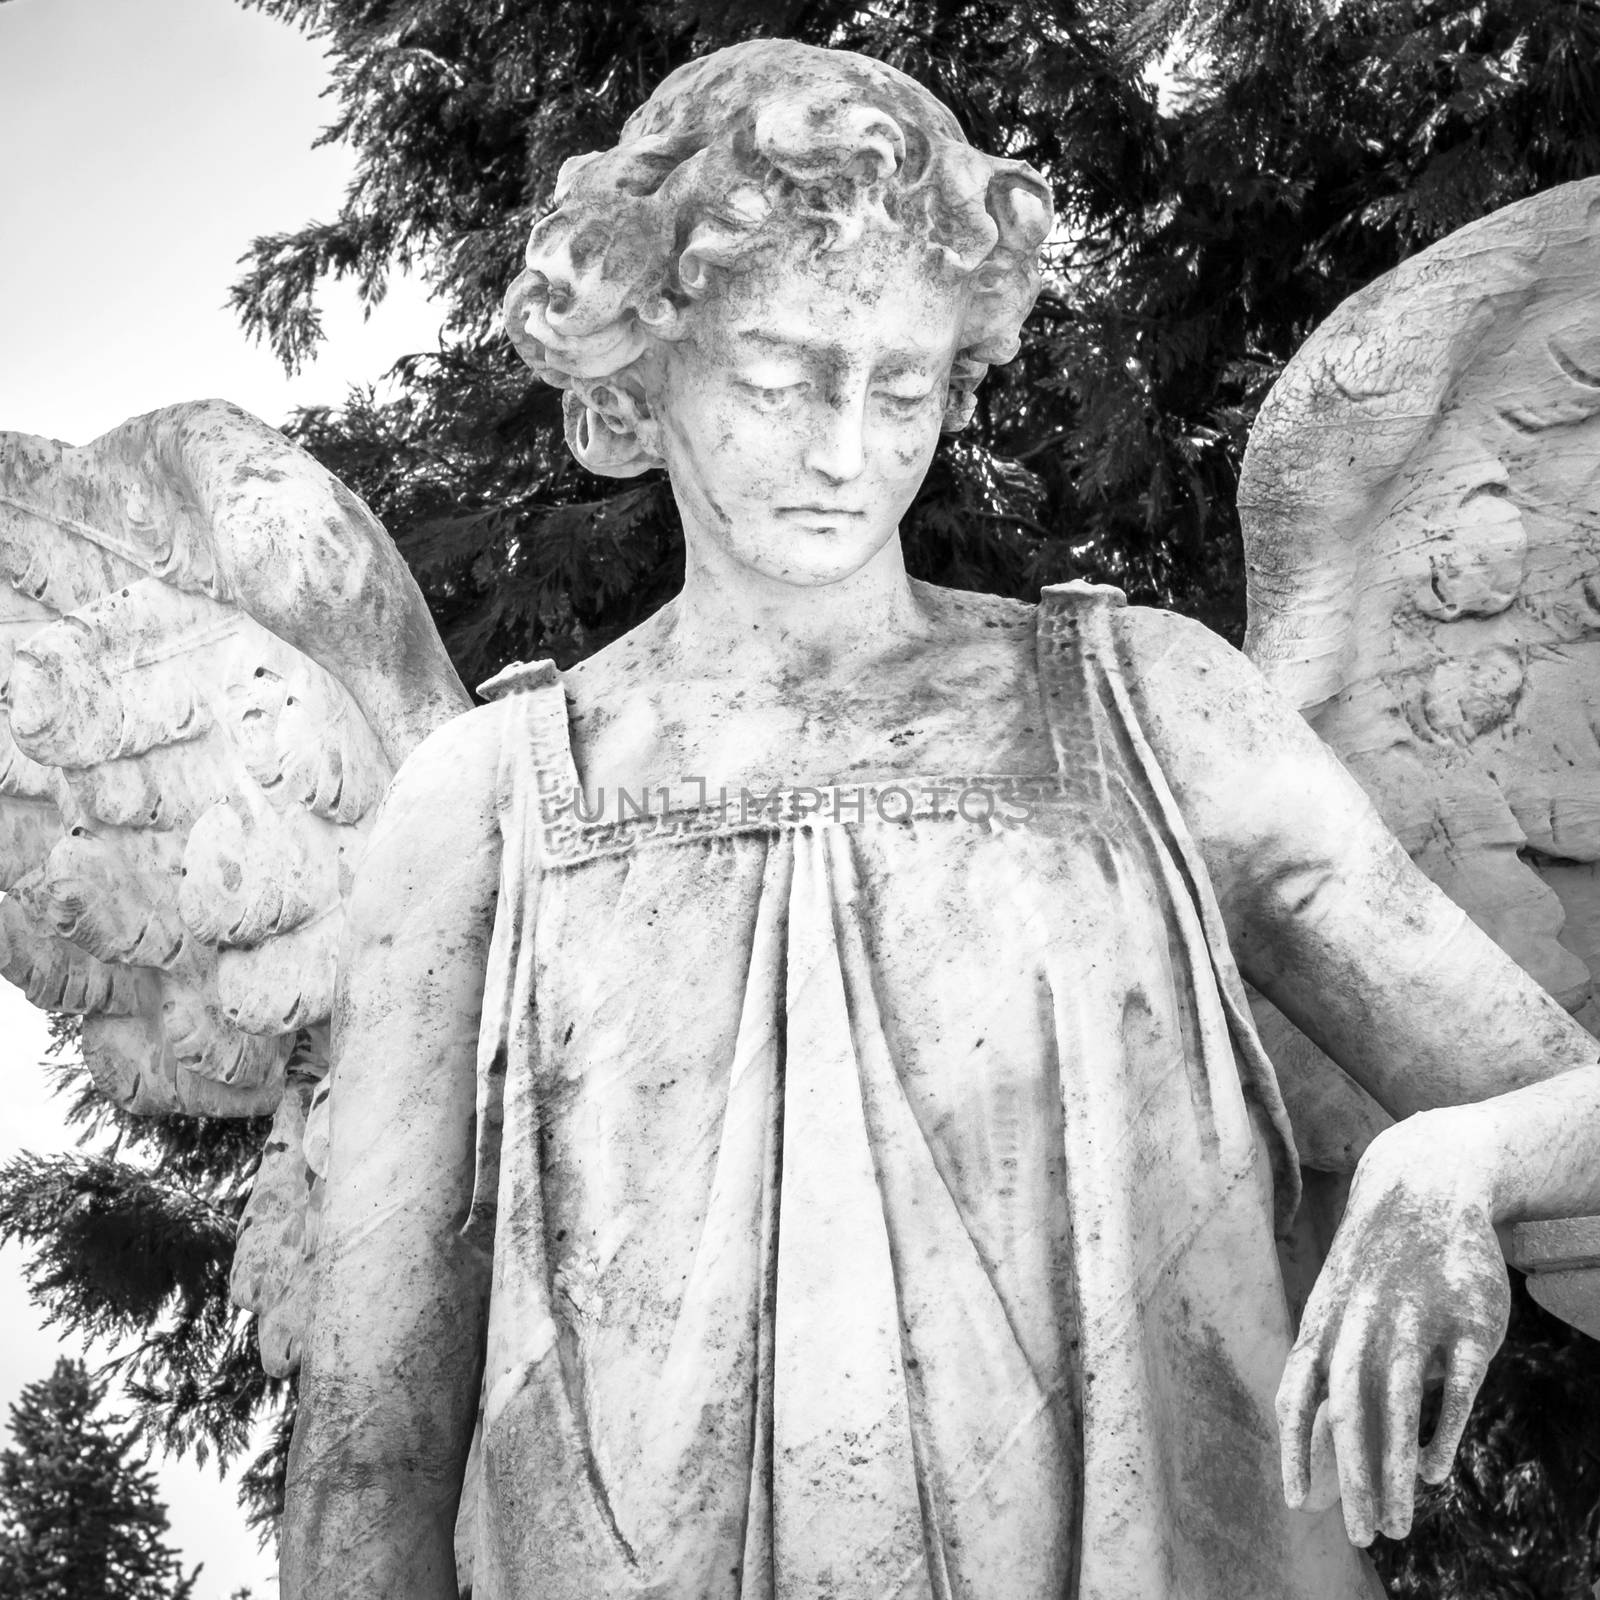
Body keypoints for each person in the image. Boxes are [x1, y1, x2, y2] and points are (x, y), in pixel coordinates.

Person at [280, 39, 1600, 1600]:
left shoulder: (1151, 712)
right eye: (778, 377)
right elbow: (373, 1441)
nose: (846, 447)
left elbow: (1563, 1110)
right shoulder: (488, 801)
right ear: (646, 363)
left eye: (901, 385)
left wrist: (1454, 1163)